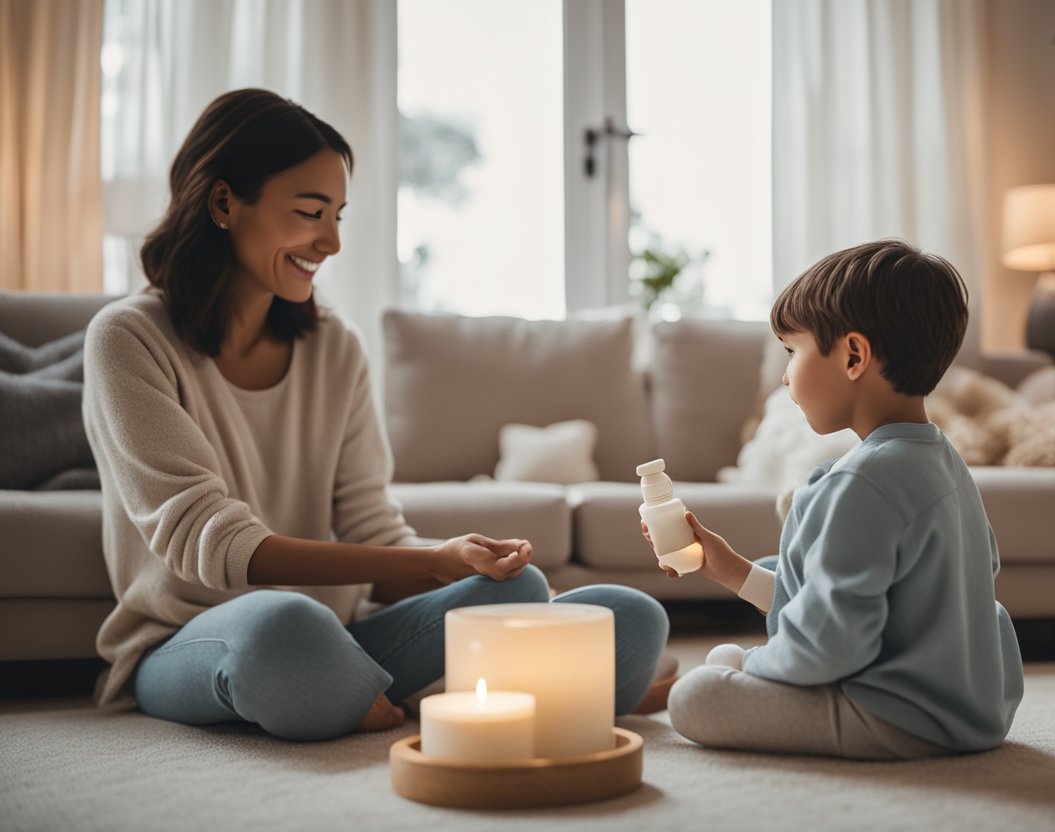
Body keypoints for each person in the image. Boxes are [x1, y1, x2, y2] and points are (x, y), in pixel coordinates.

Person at [84, 88, 669, 741]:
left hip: (339, 632)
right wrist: (426, 564)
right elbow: (212, 546)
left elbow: (371, 529)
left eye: (338, 215)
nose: (330, 241)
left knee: (584, 604)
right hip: (184, 644)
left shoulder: (335, 348)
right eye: (310, 212)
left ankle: (355, 689)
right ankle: (424, 685)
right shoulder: (127, 340)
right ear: (224, 203)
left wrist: (450, 562)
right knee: (282, 628)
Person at [652, 240, 1023, 759]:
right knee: (730, 661)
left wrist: (753, 667)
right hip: (971, 710)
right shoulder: (944, 460)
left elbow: (829, 645)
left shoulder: (861, 483)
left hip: (897, 716)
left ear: (853, 356)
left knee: (698, 692)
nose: (785, 376)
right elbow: (887, 601)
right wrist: (733, 570)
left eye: (792, 351)